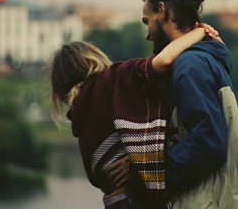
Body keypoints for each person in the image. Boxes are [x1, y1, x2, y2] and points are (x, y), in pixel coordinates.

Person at [49, 22, 220, 208]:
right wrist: (201, 31)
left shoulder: (81, 125)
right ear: (94, 59)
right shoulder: (112, 80)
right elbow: (164, 60)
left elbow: (100, 179)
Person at [139, 0, 238, 208]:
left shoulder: (190, 65)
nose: (147, 34)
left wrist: (152, 174)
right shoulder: (197, 61)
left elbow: (207, 142)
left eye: (147, 22)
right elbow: (191, 131)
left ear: (162, 10)